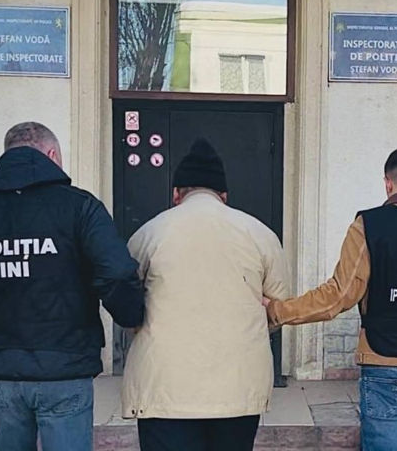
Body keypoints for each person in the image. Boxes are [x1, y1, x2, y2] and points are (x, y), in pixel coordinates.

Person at [0, 122, 145, 451]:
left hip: (4, 376)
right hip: (65, 372)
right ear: (52, 155)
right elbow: (117, 273)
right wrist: (132, 315)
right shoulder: (80, 207)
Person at [265, 147, 397, 451]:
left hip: (385, 362)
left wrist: (276, 312)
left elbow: (337, 296)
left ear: (388, 183)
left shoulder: (370, 225)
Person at [122, 139, 290, 451]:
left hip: (165, 389)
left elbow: (125, 302)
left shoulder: (148, 233)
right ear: (224, 196)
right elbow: (278, 311)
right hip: (238, 388)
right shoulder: (261, 235)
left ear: (176, 194)